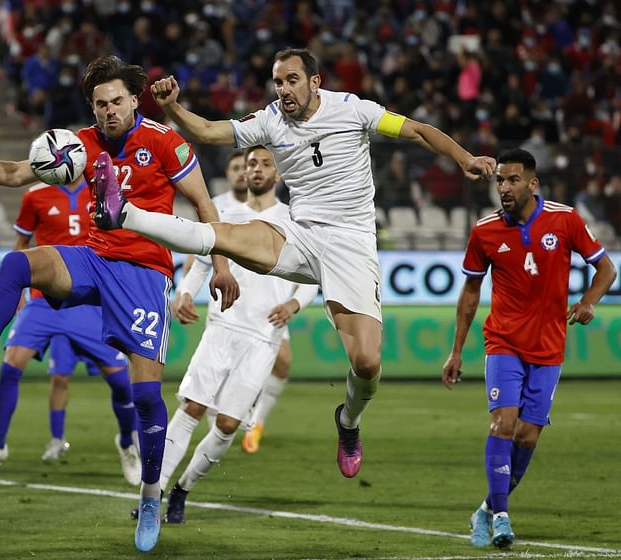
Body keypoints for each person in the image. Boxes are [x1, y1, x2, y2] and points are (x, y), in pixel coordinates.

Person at [96, 47, 496, 478]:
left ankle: (348, 422)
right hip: (300, 234)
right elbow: (210, 132)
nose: (283, 90)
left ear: (315, 82)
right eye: (278, 82)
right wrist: (173, 106)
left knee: (366, 363)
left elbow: (416, 131)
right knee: (224, 234)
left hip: (352, 245)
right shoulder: (269, 120)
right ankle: (126, 214)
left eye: (291, 80)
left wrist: (464, 158)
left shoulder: (353, 109)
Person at [0, 55, 238, 553]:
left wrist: (220, 263)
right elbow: (20, 172)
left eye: (116, 101)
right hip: (92, 258)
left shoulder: (164, 140)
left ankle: (151, 495)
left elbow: (204, 205)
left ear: (134, 99)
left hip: (146, 274)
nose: (108, 111)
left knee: (147, 397)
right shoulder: (79, 145)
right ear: (92, 107)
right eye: (99, 104)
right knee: (17, 265)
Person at [442, 149, 616, 549]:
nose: (503, 187)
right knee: (503, 424)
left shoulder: (565, 219)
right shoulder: (484, 231)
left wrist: (589, 301)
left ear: (532, 183)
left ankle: (486, 508)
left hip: (549, 346)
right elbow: (470, 293)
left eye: (512, 180)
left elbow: (606, 268)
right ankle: (502, 517)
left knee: (527, 437)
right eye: (499, 180)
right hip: (503, 342)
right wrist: (456, 350)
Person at [159, 145, 318, 523]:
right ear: (243, 173)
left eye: (265, 164)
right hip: (222, 327)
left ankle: (182, 488)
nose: (257, 169)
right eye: (251, 164)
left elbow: (313, 275)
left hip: (265, 338)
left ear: (277, 174)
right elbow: (200, 264)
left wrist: (294, 305)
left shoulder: (295, 220)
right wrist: (183, 294)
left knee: (227, 424)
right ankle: (155, 491)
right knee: (192, 407)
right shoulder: (226, 214)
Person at [0, 176, 141, 487]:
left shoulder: (102, 189)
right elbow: (21, 245)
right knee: (11, 364)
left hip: (90, 300)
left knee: (120, 380)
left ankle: (127, 443)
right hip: (43, 300)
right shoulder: (35, 196)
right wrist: (17, 291)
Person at [177, 150, 294, 454]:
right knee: (211, 386)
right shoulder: (217, 207)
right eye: (238, 167)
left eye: (252, 165)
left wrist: (292, 300)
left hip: (269, 303)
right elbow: (198, 255)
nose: (245, 171)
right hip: (231, 304)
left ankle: (255, 423)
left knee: (283, 363)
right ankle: (222, 423)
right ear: (230, 173)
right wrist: (186, 289)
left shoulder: (284, 213)